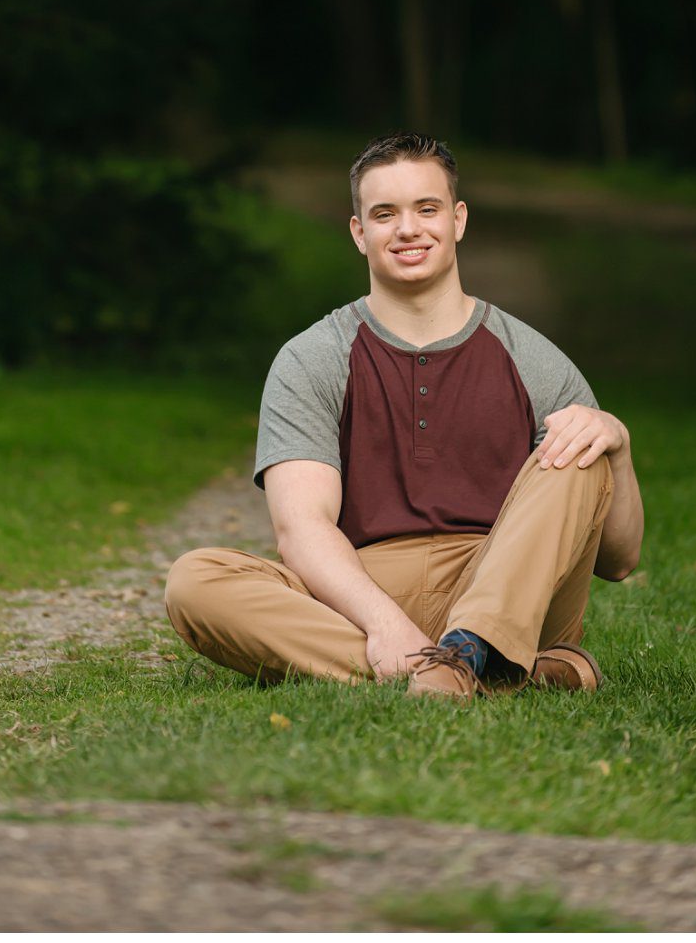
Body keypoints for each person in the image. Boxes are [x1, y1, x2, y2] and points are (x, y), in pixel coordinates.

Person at [165, 132, 643, 700]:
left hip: (511, 580)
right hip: (366, 589)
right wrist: (384, 623)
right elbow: (303, 530)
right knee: (196, 582)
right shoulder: (312, 358)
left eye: (427, 208)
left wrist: (618, 443)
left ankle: (472, 648)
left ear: (458, 220)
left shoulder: (532, 359)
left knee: (581, 442)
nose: (408, 229)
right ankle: (480, 671)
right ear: (359, 232)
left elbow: (619, 559)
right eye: (385, 213)